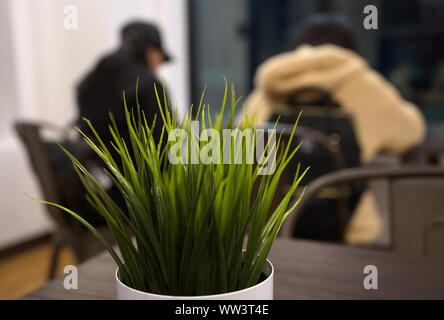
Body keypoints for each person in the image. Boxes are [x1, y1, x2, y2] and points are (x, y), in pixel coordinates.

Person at [244, 13, 426, 244]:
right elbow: (411, 131)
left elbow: (245, 138)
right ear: (350, 47)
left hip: (269, 225)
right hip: (347, 228)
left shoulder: (271, 85)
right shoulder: (362, 83)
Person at [76, 21, 172, 145]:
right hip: (133, 164)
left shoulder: (95, 75)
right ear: (151, 52)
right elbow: (163, 141)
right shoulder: (149, 85)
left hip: (90, 162)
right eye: (160, 59)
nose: (158, 65)